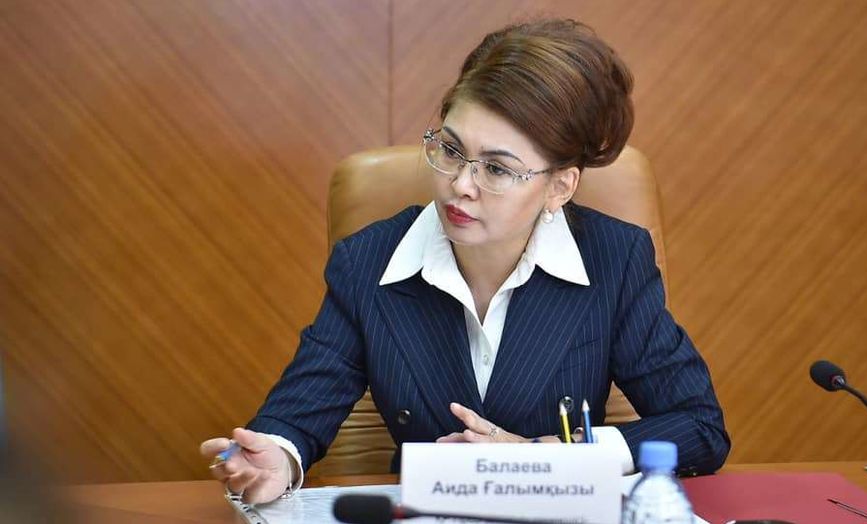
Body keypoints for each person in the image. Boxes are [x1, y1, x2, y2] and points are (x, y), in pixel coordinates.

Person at [201, 18, 730, 503]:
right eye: (451, 151)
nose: (460, 185)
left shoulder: (614, 260)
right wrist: (276, 456)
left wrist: (552, 457)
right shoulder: (368, 261)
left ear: (559, 187)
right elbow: (302, 407)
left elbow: (699, 426)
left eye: (496, 169)